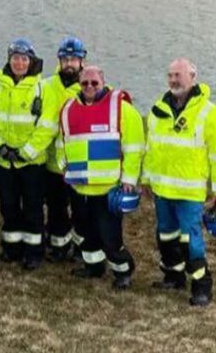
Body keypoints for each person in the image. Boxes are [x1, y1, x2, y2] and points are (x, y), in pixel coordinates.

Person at [142, 58, 216, 306]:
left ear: (193, 76)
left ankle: (202, 285)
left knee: (190, 240)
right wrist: (146, 179)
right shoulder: (158, 110)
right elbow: (151, 148)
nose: (174, 80)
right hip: (162, 190)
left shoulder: (210, 113)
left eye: (179, 75)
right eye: (170, 75)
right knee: (166, 236)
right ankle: (173, 276)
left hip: (190, 194)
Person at [58, 66, 145, 290]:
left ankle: (123, 271)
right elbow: (63, 143)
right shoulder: (68, 108)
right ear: (79, 83)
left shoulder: (121, 109)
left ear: (103, 82)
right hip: (80, 188)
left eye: (94, 83)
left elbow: (134, 148)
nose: (89, 87)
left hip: (108, 189)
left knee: (110, 238)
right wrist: (62, 165)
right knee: (86, 234)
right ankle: (93, 267)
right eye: (85, 82)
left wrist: (129, 179)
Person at [0, 39, 46, 269]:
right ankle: (11, 249)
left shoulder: (41, 88)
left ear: (31, 61)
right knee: (8, 206)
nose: (19, 63)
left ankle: (34, 253)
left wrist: (25, 152)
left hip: (31, 162)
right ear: (9, 60)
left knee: (32, 208)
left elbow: (47, 127)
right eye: (15, 58)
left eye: (24, 59)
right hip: (3, 160)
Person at [37, 37, 88, 261]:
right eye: (65, 59)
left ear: (81, 61)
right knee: (56, 209)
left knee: (81, 210)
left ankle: (81, 248)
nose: (69, 64)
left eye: (74, 59)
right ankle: (59, 246)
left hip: (79, 162)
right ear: (59, 60)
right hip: (52, 163)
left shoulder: (90, 87)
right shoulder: (46, 85)